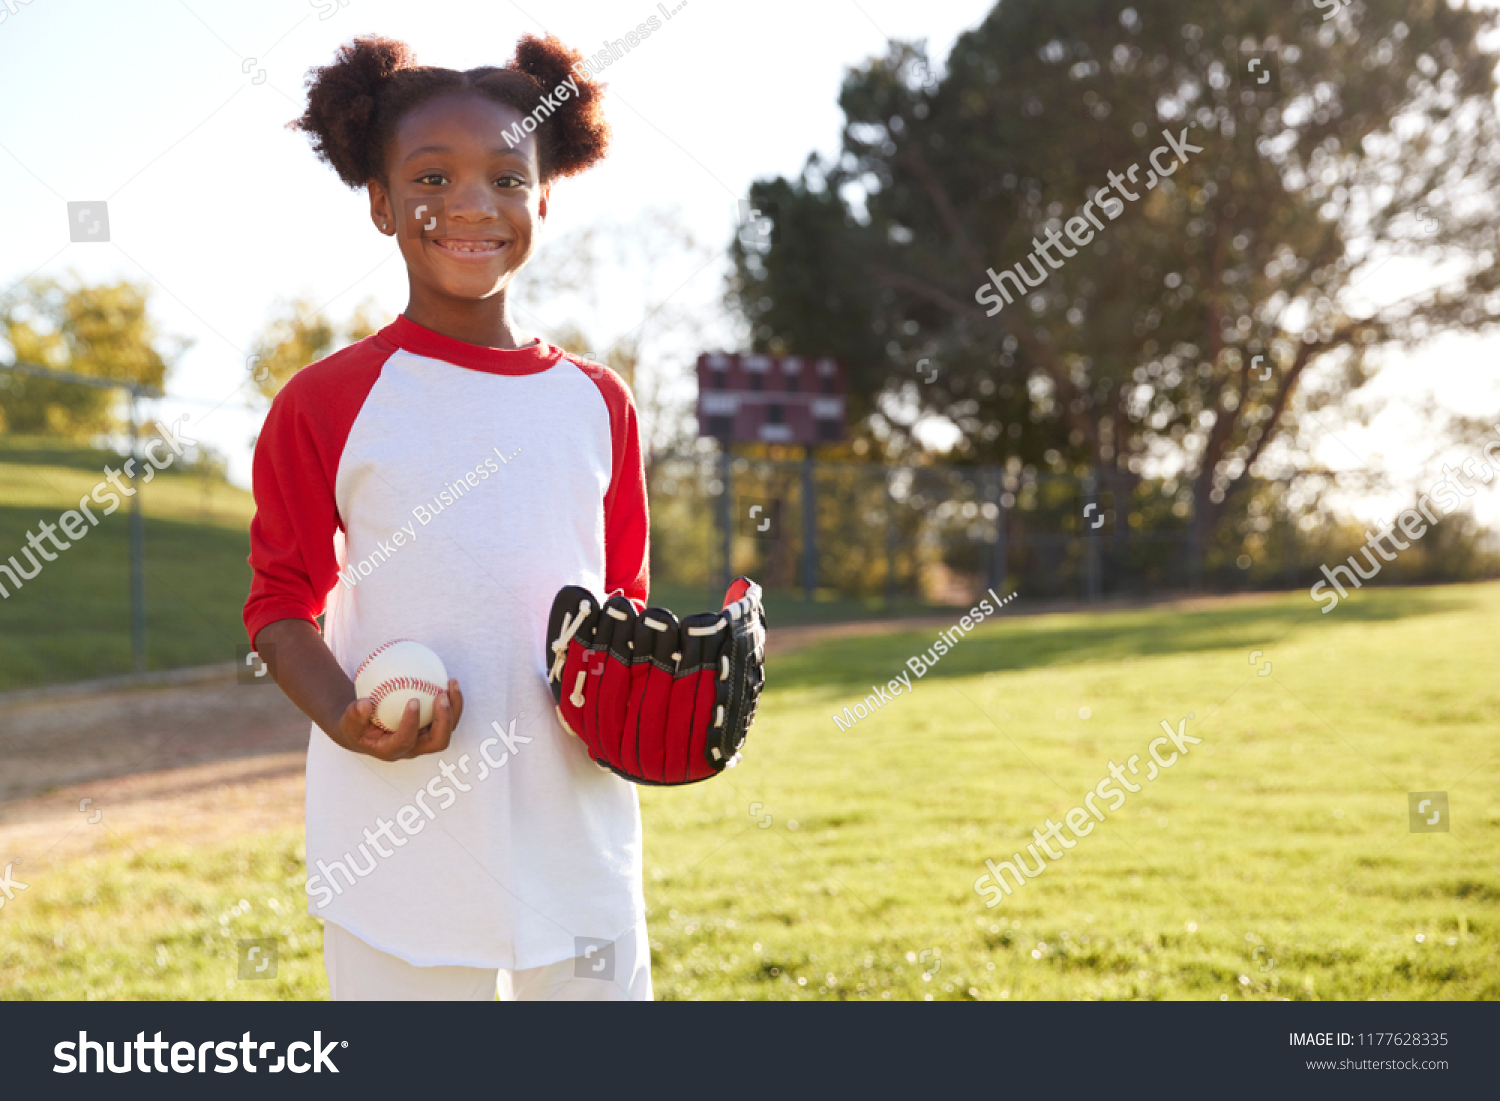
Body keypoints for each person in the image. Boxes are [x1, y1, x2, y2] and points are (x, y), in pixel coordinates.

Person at [243, 32, 652, 1001]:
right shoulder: (327, 399)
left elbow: (623, 601)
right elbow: (279, 605)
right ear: (381, 204)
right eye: (433, 176)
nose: (472, 203)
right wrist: (346, 718)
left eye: (508, 178)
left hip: (577, 824)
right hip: (399, 825)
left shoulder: (601, 402)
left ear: (545, 196)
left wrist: (646, 705)